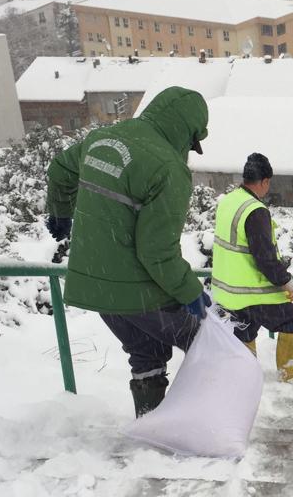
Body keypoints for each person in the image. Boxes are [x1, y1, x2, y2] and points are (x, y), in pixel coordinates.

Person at [45, 86, 211, 418]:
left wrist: (61, 211)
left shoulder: (102, 138)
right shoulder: (168, 168)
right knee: (208, 343)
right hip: (137, 292)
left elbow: (61, 169)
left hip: (95, 286)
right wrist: (191, 292)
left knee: (147, 353)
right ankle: (204, 428)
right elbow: (157, 251)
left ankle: (150, 429)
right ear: (187, 131)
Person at [211, 153, 293, 385]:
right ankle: (289, 374)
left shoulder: (228, 201)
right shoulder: (255, 210)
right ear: (265, 181)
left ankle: (244, 377)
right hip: (252, 292)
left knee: (245, 330)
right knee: (292, 320)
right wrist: (285, 281)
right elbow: (265, 257)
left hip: (228, 291)